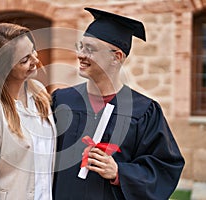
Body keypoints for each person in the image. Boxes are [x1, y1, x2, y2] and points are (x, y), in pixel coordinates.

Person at [52, 7, 185, 200]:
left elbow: (165, 167)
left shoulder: (144, 110)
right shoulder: (62, 100)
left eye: (90, 49)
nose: (81, 54)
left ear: (117, 57)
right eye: (81, 46)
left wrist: (119, 173)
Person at [0, 23, 56, 200]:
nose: (35, 60)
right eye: (24, 60)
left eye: (33, 51)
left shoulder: (39, 93)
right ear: (3, 68)